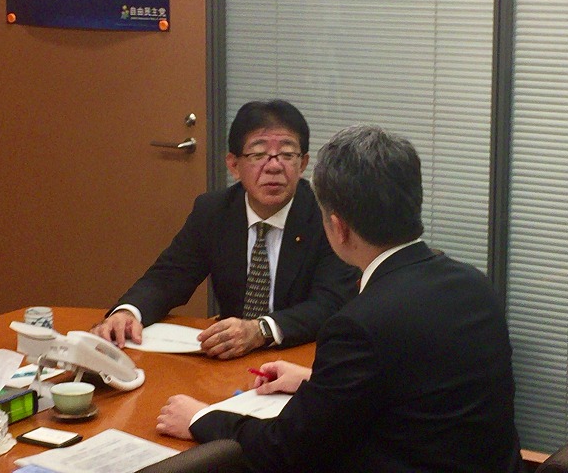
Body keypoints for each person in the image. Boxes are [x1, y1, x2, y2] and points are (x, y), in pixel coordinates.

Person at [156, 125, 524, 472]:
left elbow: (284, 449)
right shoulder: (474, 285)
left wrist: (200, 418)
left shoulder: (358, 325)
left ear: (338, 227)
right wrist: (317, 381)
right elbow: (419, 382)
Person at [91, 100, 359, 359]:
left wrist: (261, 330)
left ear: (303, 164)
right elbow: (168, 277)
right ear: (234, 165)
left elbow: (331, 303)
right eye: (258, 155)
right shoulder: (214, 211)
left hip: (301, 355)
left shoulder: (327, 217)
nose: (274, 166)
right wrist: (128, 312)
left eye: (287, 155)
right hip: (231, 355)